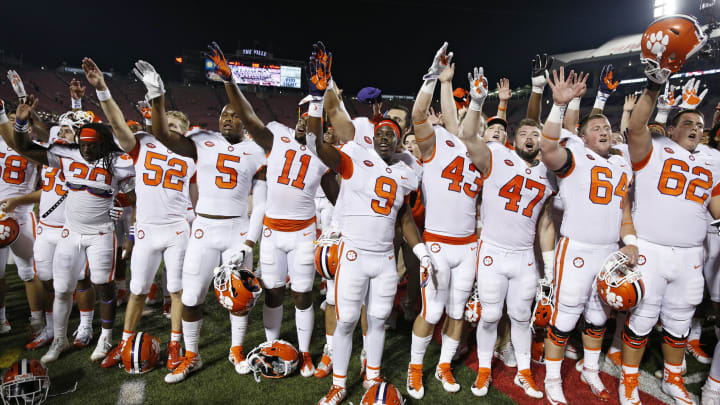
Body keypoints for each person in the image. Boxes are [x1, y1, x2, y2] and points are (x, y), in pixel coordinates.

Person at [309, 43, 431, 405]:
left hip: (383, 259)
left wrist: (421, 251)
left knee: (377, 320)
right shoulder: (354, 157)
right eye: (382, 130)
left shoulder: (406, 170)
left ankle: (373, 375)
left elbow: (404, 215)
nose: (386, 136)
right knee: (347, 321)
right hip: (354, 253)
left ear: (398, 140)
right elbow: (316, 144)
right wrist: (319, 98)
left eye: (393, 133)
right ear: (374, 132)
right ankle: (339, 383)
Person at [132, 55, 266, 383]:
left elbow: (261, 202)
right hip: (204, 228)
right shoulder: (201, 141)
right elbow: (162, 134)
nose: (227, 119)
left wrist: (249, 241)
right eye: (223, 114)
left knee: (240, 299)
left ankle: (236, 349)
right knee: (191, 297)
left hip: (237, 230)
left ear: (245, 121)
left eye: (235, 115)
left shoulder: (257, 150)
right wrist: (157, 96)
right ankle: (192, 354)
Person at [212, 42, 339, 377]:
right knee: (272, 294)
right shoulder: (277, 136)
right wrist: (230, 80)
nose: (302, 122)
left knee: (301, 296)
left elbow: (337, 198)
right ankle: (270, 345)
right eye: (300, 114)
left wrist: (318, 95)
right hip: (271, 232)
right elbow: (249, 116)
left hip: (302, 234)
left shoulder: (321, 154)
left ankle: (305, 352)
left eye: (309, 115)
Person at [622, 18, 720, 403]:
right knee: (643, 317)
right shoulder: (655, 148)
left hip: (692, 253)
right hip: (652, 249)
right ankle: (629, 378)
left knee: (680, 321)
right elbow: (636, 125)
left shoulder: (713, 158)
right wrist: (654, 85)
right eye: (688, 123)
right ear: (673, 129)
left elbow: (714, 198)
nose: (695, 127)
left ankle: (672, 378)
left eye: (700, 124)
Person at [81, 58, 197, 372]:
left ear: (185, 133)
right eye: (166, 125)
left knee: (176, 291)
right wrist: (103, 89)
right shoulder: (143, 144)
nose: (168, 130)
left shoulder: (192, 153)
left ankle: (175, 345)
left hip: (177, 228)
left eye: (175, 127)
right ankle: (124, 342)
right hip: (146, 228)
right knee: (136, 291)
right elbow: (118, 125)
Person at [8, 91, 136, 364]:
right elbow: (27, 148)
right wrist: (20, 124)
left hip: (101, 233)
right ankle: (59, 339)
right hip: (70, 232)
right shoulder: (67, 155)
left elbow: (134, 196)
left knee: (103, 286)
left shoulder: (118, 162)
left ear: (103, 143)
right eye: (83, 144)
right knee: (63, 287)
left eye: (92, 145)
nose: (86, 149)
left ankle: (105, 337)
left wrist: (121, 210)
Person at [538, 67, 637, 404]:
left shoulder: (622, 162)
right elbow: (548, 149)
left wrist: (632, 243)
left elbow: (624, 211)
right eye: (596, 127)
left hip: (608, 250)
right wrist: (558, 106)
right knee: (565, 314)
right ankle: (553, 377)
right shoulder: (575, 154)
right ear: (581, 136)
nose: (604, 130)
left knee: (599, 316)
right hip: (577, 247)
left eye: (607, 126)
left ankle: (590, 368)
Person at [404, 44, 485, 399]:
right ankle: (415, 368)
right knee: (432, 310)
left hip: (468, 246)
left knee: (457, 312)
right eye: (469, 117)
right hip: (437, 241)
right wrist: (433, 79)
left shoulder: (488, 157)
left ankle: (444, 365)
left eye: (478, 121)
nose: (473, 124)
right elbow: (419, 114)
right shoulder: (437, 143)